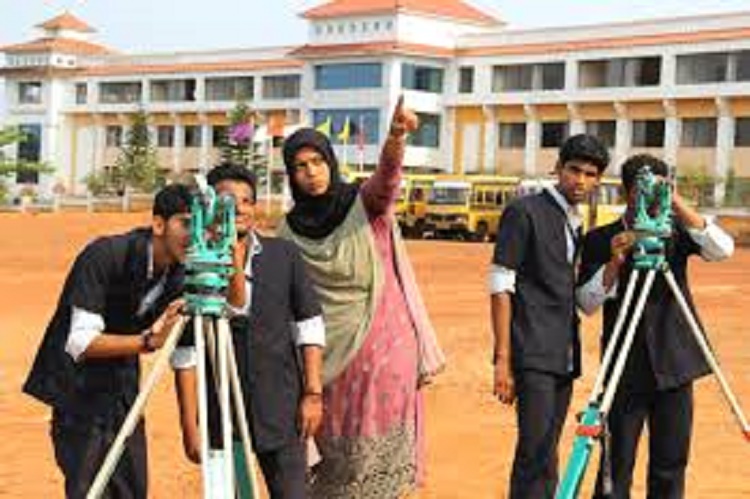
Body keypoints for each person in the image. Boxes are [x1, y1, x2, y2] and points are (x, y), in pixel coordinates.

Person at [276, 97, 446, 498]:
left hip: (385, 348)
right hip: (328, 361)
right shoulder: (287, 231)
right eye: (300, 166)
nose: (311, 172)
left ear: (330, 162)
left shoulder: (364, 204)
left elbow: (387, 179)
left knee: (381, 467)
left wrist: (396, 137)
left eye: (317, 162)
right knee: (336, 464)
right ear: (291, 175)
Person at [576, 154, 735, 499]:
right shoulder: (600, 239)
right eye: (643, 190)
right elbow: (587, 303)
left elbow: (723, 249)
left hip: (675, 365)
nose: (650, 197)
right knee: (615, 463)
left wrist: (675, 200)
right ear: (626, 193)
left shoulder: (675, 232)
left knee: (670, 465)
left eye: (659, 188)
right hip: (624, 369)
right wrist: (614, 263)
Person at [23, 184, 193, 498]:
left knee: (132, 488)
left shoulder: (182, 274)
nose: (194, 235)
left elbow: (188, 350)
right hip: (78, 393)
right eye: (186, 223)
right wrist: (147, 341)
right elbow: (81, 342)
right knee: (89, 489)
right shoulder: (106, 255)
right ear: (158, 224)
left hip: (122, 392)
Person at [172, 163, 325, 499]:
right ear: (210, 207)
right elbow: (185, 355)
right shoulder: (191, 264)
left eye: (246, 201)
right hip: (221, 412)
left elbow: (309, 327)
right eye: (228, 201)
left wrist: (313, 394)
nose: (239, 209)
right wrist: (190, 426)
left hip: (281, 409)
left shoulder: (284, 256)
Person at [489, 134, 610, 498]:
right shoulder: (524, 212)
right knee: (534, 452)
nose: (580, 181)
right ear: (557, 168)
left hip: (563, 353)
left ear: (598, 180)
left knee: (547, 449)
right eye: (574, 170)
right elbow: (500, 285)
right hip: (532, 350)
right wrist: (503, 360)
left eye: (590, 174)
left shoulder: (574, 220)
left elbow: (576, 296)